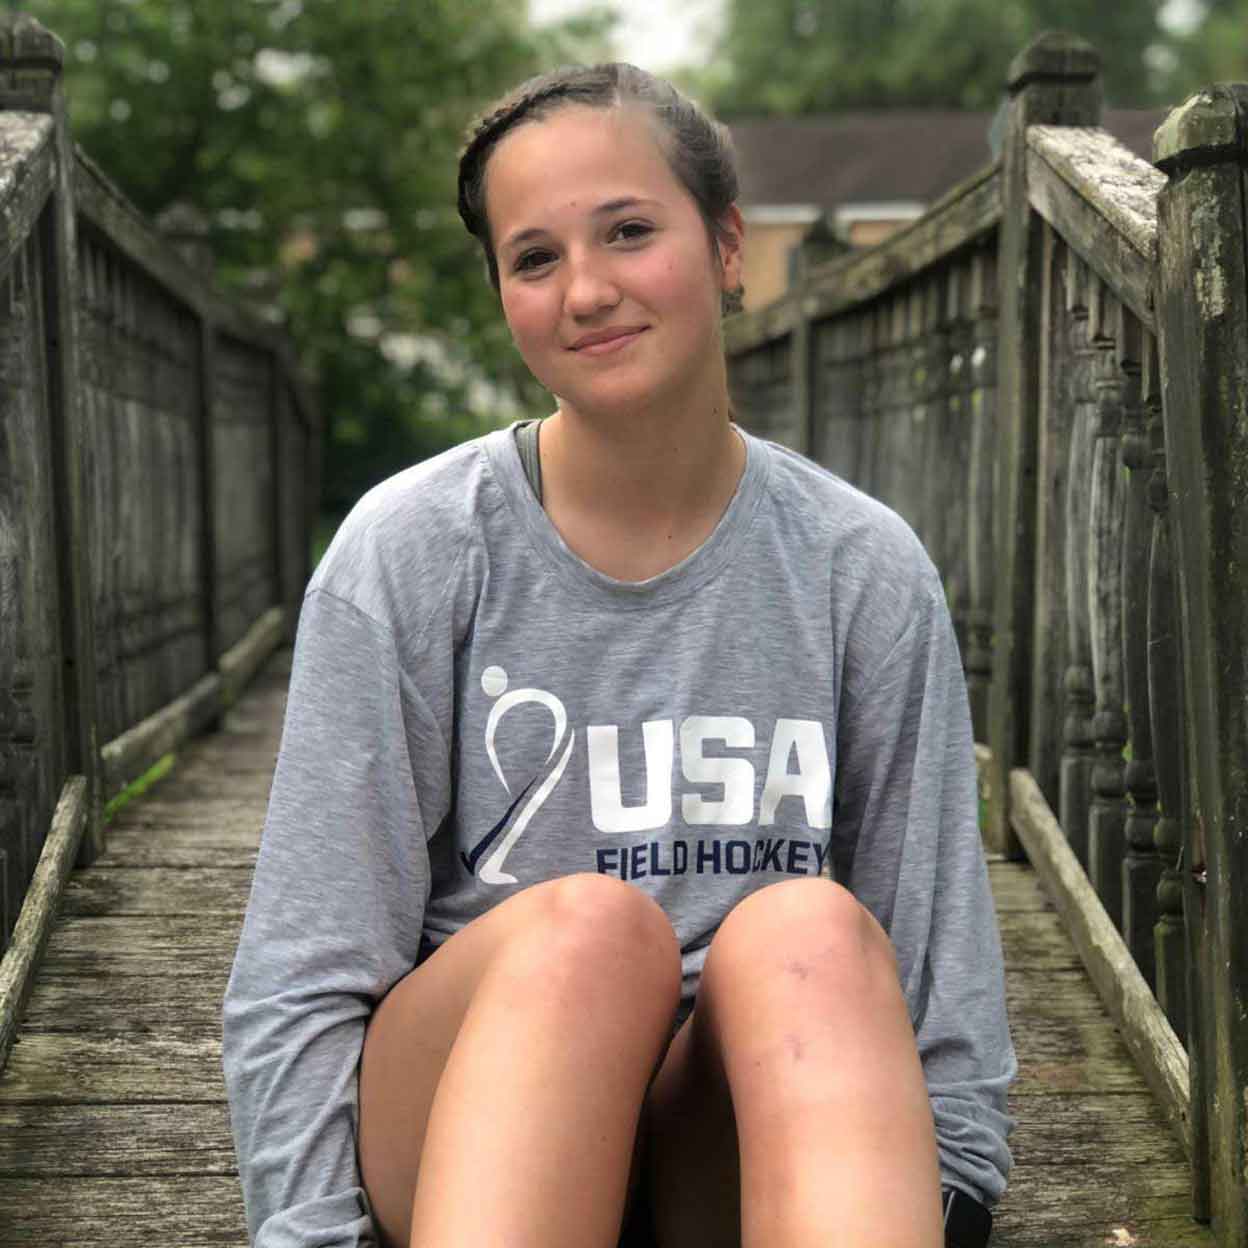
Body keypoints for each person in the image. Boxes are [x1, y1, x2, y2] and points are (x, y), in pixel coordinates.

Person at [221, 62, 1016, 1248]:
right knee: (590, 931)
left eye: (629, 231)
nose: (586, 291)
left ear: (728, 245)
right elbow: (302, 969)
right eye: (534, 259)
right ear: (500, 293)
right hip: (464, 1127)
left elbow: (940, 962)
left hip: (741, 1137)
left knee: (808, 930)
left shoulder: (862, 566)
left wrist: (943, 1194)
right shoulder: (414, 550)